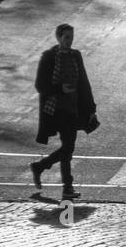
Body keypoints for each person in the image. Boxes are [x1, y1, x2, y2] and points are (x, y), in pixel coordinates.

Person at [31, 24, 97, 200]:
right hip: (56, 110)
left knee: (68, 148)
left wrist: (91, 109)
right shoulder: (49, 57)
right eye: (66, 37)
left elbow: (83, 82)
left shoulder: (76, 56)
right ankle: (66, 186)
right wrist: (61, 89)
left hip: (74, 108)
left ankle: (40, 167)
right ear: (59, 38)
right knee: (68, 147)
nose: (69, 41)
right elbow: (40, 85)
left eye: (71, 37)